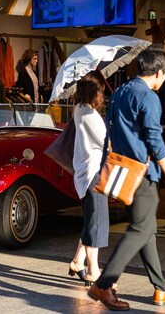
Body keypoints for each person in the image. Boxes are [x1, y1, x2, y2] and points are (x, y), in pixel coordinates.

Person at [88, 48, 165, 310]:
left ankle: (161, 288)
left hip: (123, 171)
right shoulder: (149, 98)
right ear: (159, 72)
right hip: (143, 173)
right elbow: (154, 138)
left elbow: (111, 132)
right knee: (141, 229)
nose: (164, 79)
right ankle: (104, 284)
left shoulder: (119, 93)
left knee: (147, 230)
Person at [68, 71, 109, 286]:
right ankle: (94, 270)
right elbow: (106, 143)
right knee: (96, 223)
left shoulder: (79, 110)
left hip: (82, 172)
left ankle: (77, 261)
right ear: (95, 96)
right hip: (94, 173)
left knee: (90, 220)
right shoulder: (91, 116)